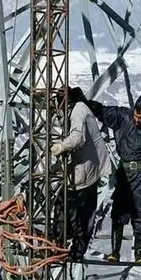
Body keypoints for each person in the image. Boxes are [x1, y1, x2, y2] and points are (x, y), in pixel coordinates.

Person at [87, 91, 141, 263]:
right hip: (125, 173)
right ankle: (114, 252)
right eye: (136, 116)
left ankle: (139, 253)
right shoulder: (123, 118)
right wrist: (84, 102)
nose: (137, 120)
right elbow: (103, 111)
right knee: (119, 212)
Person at [49, 86, 110, 262]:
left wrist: (61, 146)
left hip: (85, 170)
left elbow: (77, 139)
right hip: (88, 168)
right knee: (80, 211)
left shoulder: (77, 112)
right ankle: (67, 245)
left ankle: (64, 245)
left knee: (74, 210)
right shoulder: (80, 107)